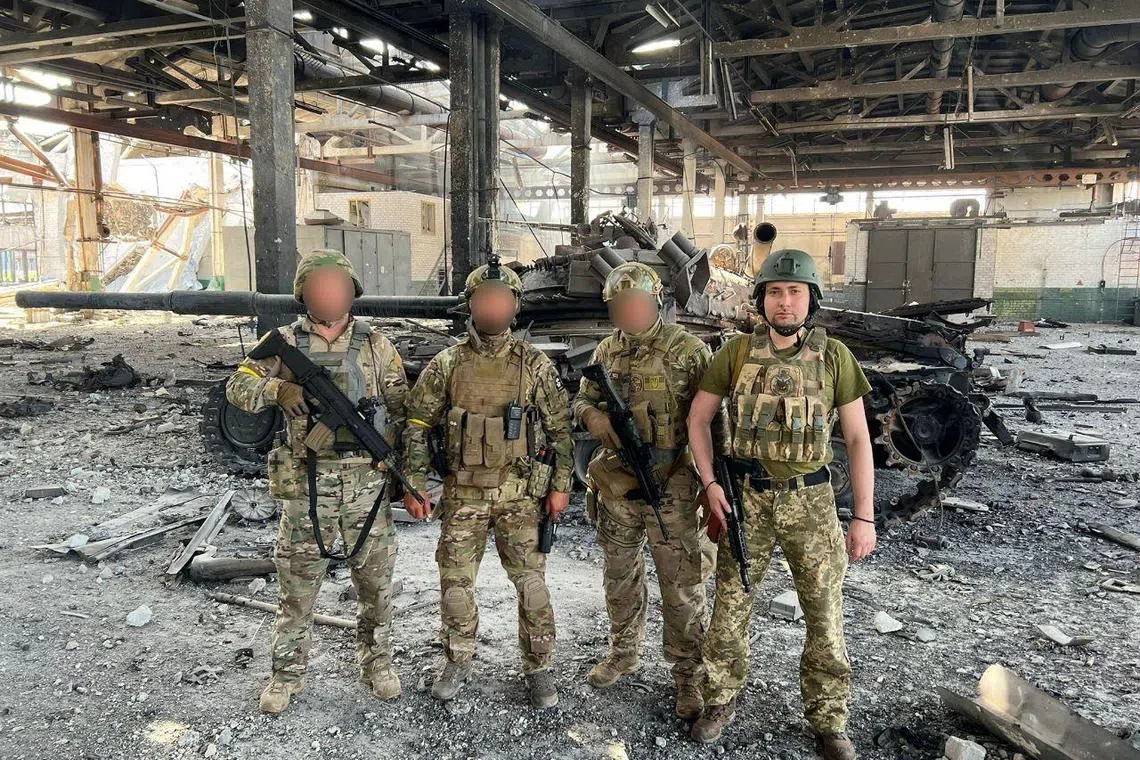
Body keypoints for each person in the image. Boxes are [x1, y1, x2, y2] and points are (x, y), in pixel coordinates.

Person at [685, 249, 877, 759]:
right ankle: (721, 698)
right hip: (746, 500)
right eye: (775, 292)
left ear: (810, 299)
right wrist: (710, 483)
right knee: (729, 608)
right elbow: (698, 420)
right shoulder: (736, 354)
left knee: (825, 615)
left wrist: (864, 516)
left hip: (811, 503)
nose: (784, 302)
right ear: (762, 300)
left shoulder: (835, 356)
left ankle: (829, 719)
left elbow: (858, 440)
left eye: (794, 292)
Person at [226, 249, 409, 714]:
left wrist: (406, 472)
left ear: (352, 292)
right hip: (307, 487)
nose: (330, 294)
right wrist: (277, 388)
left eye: (338, 286)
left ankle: (377, 664)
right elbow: (236, 389)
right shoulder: (283, 341)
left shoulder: (376, 345)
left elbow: (404, 408)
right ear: (304, 293)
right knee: (298, 589)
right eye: (319, 286)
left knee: (375, 587)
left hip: (367, 486)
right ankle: (286, 674)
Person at [401, 257, 573, 708]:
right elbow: (418, 423)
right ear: (471, 305)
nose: (492, 306)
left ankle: (539, 668)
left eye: (501, 298)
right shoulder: (447, 364)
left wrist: (561, 486)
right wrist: (414, 481)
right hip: (463, 496)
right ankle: (457, 660)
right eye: (484, 298)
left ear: (514, 306)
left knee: (532, 587)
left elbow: (559, 431)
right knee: (456, 585)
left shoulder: (534, 365)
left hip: (520, 496)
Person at [572, 262, 712, 721]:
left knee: (681, 586)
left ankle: (688, 674)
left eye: (636, 304)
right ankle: (624, 650)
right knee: (620, 574)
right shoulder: (606, 351)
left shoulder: (689, 351)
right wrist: (592, 418)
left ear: (656, 304)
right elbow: (583, 400)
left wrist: (709, 482)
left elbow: (714, 420)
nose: (628, 312)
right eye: (620, 306)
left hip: (671, 486)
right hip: (616, 485)